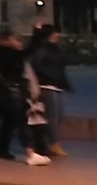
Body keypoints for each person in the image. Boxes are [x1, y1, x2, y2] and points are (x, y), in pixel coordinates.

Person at [0, 31, 51, 166]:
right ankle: (30, 154)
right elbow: (29, 50)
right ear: (9, 41)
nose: (20, 43)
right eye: (17, 40)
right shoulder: (11, 54)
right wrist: (37, 33)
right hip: (11, 93)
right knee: (21, 122)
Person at [28, 23, 72, 156]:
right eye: (55, 32)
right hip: (46, 86)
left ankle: (47, 142)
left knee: (58, 115)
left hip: (55, 85)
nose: (57, 35)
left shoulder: (53, 48)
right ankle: (53, 143)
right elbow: (36, 65)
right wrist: (49, 76)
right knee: (52, 116)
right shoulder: (41, 49)